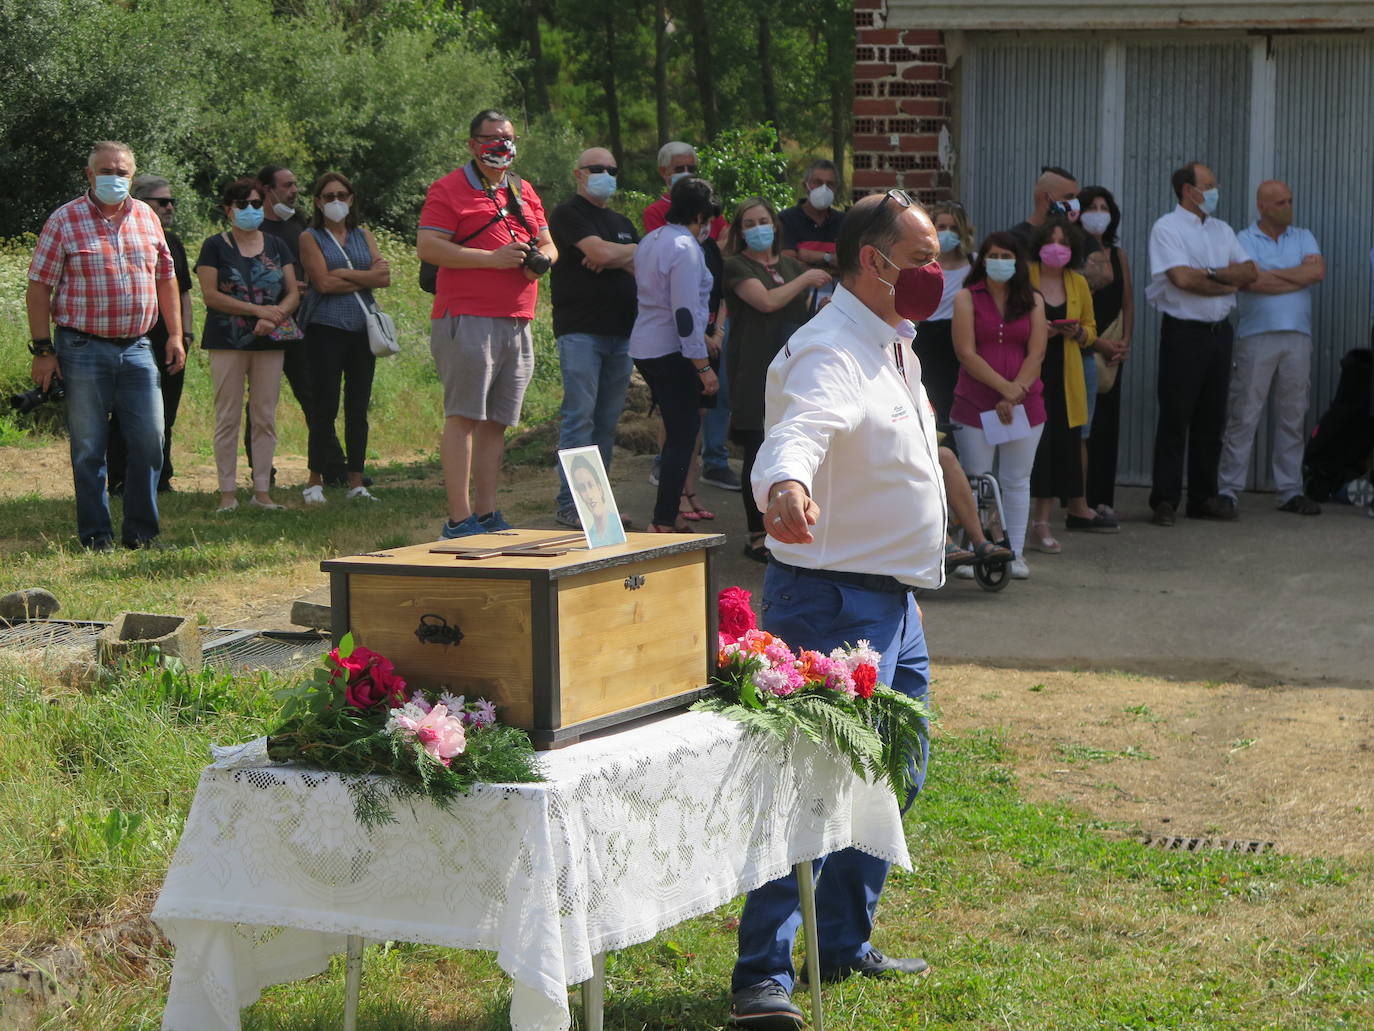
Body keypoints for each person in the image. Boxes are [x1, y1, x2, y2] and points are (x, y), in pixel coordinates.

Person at [729, 190, 945, 1029]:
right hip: (829, 602)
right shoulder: (829, 349)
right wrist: (783, 484)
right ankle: (762, 975)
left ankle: (843, 939)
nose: (938, 273)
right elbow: (797, 432)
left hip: (892, 604)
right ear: (874, 262)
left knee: (896, 772)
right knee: (810, 787)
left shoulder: (894, 344)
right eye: (924, 258)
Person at [26, 141, 185, 551]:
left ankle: (142, 534)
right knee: (89, 449)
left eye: (123, 172)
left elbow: (166, 276)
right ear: (89, 174)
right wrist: (43, 351)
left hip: (137, 347)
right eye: (106, 171)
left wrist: (174, 334)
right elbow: (39, 286)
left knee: (150, 441)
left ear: (133, 175)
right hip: (81, 348)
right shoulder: (65, 219)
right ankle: (96, 536)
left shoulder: (148, 217)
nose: (115, 178)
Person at [417, 108, 557, 538]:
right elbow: (428, 246)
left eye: (509, 138)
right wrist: (491, 260)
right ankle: (458, 520)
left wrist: (541, 263)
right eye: (492, 138)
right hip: (467, 316)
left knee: (497, 420)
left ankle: (488, 513)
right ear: (472, 144)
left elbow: (550, 245)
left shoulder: (524, 189)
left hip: (517, 318)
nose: (502, 146)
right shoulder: (449, 188)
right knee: (464, 416)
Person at [1145, 162, 1257, 525]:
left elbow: (1249, 272)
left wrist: (1208, 273)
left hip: (1218, 333)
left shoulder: (1223, 230)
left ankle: (1203, 497)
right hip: (1184, 333)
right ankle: (1164, 499)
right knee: (1176, 416)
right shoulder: (1167, 227)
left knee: (1212, 418)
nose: (1215, 190)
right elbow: (1180, 278)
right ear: (1188, 191)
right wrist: (1225, 280)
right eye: (1208, 184)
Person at [721, 196, 830, 561]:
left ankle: (792, 526)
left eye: (762, 221)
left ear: (775, 224)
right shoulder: (736, 266)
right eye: (749, 224)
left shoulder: (789, 265)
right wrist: (805, 279)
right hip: (752, 369)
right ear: (739, 231)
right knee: (757, 451)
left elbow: (805, 315)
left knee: (791, 446)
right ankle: (756, 532)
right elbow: (766, 302)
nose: (757, 229)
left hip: (793, 369)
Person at [1218, 180, 1325, 516]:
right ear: (1262, 206)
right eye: (1280, 202)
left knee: (1292, 416)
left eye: (1290, 200)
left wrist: (1271, 276)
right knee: (1244, 413)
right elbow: (1248, 280)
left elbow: (1317, 271)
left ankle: (1290, 491)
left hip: (1298, 337)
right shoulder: (1243, 239)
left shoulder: (1304, 235)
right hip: (1257, 336)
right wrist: (1296, 275)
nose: (1288, 207)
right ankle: (1228, 490)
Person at [196, 177, 301, 513]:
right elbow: (211, 295)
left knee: (265, 416)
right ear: (229, 209)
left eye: (256, 204)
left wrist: (274, 317)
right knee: (227, 416)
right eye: (243, 205)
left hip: (270, 339)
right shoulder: (214, 245)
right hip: (227, 339)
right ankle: (227, 493)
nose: (251, 210)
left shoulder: (276, 244)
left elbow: (293, 291)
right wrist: (258, 310)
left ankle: (262, 491)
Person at [548, 146, 639, 529]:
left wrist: (617, 253)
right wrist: (615, 255)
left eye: (612, 169)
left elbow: (639, 262)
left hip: (623, 334)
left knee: (606, 422)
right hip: (580, 332)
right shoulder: (567, 214)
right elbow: (600, 254)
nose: (606, 175)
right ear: (579, 174)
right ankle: (573, 503)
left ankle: (596, 505)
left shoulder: (622, 221)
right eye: (597, 168)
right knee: (579, 418)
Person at [949, 231, 1048, 579]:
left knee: (1016, 480)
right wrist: (1004, 389)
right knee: (976, 481)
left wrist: (1014, 392)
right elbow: (966, 352)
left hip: (1025, 404)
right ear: (983, 259)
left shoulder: (1033, 299)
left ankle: (1015, 553)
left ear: (1018, 262)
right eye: (994, 256)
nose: (1000, 262)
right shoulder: (966, 298)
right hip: (975, 403)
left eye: (1008, 256)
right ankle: (977, 549)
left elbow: (1037, 352)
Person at [643, 141, 736, 491]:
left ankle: (692, 488)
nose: (709, 223)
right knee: (678, 415)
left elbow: (726, 258)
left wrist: (719, 331)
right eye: (679, 168)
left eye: (691, 167)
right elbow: (681, 306)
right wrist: (701, 354)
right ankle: (674, 493)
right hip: (683, 340)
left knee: (700, 413)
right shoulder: (673, 238)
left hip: (710, 331)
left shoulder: (705, 242)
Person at [630, 177, 721, 533]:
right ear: (701, 213)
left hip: (645, 345)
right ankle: (663, 520)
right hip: (672, 349)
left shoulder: (651, 239)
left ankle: (669, 514)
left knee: (677, 430)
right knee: (683, 436)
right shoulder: (686, 247)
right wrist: (702, 367)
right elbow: (684, 313)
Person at [296, 171, 390, 505]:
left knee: (357, 406)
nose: (336, 202)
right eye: (329, 196)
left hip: (362, 330)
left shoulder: (364, 235)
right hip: (325, 328)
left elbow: (384, 276)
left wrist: (345, 274)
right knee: (325, 405)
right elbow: (322, 284)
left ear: (352, 200)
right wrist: (364, 279)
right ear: (318, 202)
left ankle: (356, 481)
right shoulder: (310, 237)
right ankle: (315, 480)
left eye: (342, 196)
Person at [1026, 219, 1115, 550]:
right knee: (1033, 447)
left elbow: (1092, 328)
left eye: (1064, 242)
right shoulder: (1026, 277)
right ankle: (1009, 520)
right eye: (1051, 240)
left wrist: (1078, 333)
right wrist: (1039, 330)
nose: (1057, 248)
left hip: (1066, 375)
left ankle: (1042, 524)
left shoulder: (1077, 283)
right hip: (1031, 371)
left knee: (1061, 446)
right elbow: (1012, 321)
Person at [254, 163, 345, 485]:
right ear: (267, 190)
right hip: (263, 324)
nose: (294, 191)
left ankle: (333, 468)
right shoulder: (255, 225)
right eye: (287, 185)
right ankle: (263, 473)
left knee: (315, 398)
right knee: (262, 404)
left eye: (295, 185)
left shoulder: (299, 225)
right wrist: (285, 289)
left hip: (302, 324)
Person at [105, 174, 194, 496]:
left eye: (172, 201)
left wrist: (186, 333)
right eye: (163, 201)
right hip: (131, 337)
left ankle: (162, 477)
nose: (170, 207)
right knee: (123, 413)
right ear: (142, 202)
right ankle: (118, 477)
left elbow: (183, 291)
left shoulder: (173, 241)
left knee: (165, 412)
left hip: (169, 338)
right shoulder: (125, 235)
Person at [1077, 186, 1134, 516]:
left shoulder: (1118, 255)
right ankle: (1077, 497)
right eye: (1092, 207)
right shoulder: (1071, 253)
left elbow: (1127, 302)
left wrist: (1124, 341)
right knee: (1081, 425)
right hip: (1082, 343)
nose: (1098, 212)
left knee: (1106, 424)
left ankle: (1103, 498)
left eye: (1104, 207)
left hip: (1112, 347)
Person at [914, 200, 976, 422]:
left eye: (954, 228)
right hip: (926, 339)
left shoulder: (974, 264)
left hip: (961, 340)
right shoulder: (920, 264)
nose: (947, 233)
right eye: (942, 227)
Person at [1008, 166, 1110, 290]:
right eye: (1069, 197)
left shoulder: (1079, 235)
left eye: (1076, 198)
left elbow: (1105, 274)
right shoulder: (1014, 239)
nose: (1075, 204)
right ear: (1047, 198)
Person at [778, 158, 845, 284]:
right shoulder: (786, 219)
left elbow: (850, 265)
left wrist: (819, 257)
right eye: (818, 182)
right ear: (805, 186)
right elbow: (788, 265)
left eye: (830, 184)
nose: (824, 188)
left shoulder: (845, 222)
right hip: (797, 292)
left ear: (836, 188)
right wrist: (831, 261)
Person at [642, 141, 727, 240]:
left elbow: (727, 238)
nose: (687, 174)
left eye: (691, 169)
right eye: (679, 169)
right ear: (663, 171)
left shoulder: (707, 203)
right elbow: (664, 249)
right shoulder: (654, 212)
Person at [568, 452, 619, 547]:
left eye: (591, 485)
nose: (589, 495)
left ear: (600, 488)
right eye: (582, 488)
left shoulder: (616, 526)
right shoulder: (591, 535)